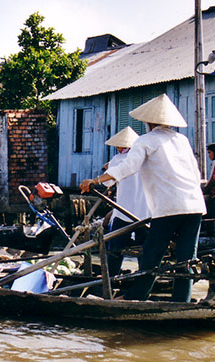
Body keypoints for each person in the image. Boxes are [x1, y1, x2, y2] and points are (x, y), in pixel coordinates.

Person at [79, 93, 206, 302]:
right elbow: (196, 173)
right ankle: (181, 301)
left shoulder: (146, 140)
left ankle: (135, 299)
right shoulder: (182, 140)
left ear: (148, 122)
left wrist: (95, 180)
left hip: (168, 207)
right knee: (186, 258)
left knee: (151, 256)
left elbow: (128, 167)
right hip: (194, 205)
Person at [100, 127, 150, 279]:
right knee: (145, 249)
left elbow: (107, 183)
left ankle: (109, 279)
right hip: (144, 213)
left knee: (115, 248)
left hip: (123, 211)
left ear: (121, 146)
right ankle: (146, 278)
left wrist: (107, 169)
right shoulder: (145, 159)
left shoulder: (117, 160)